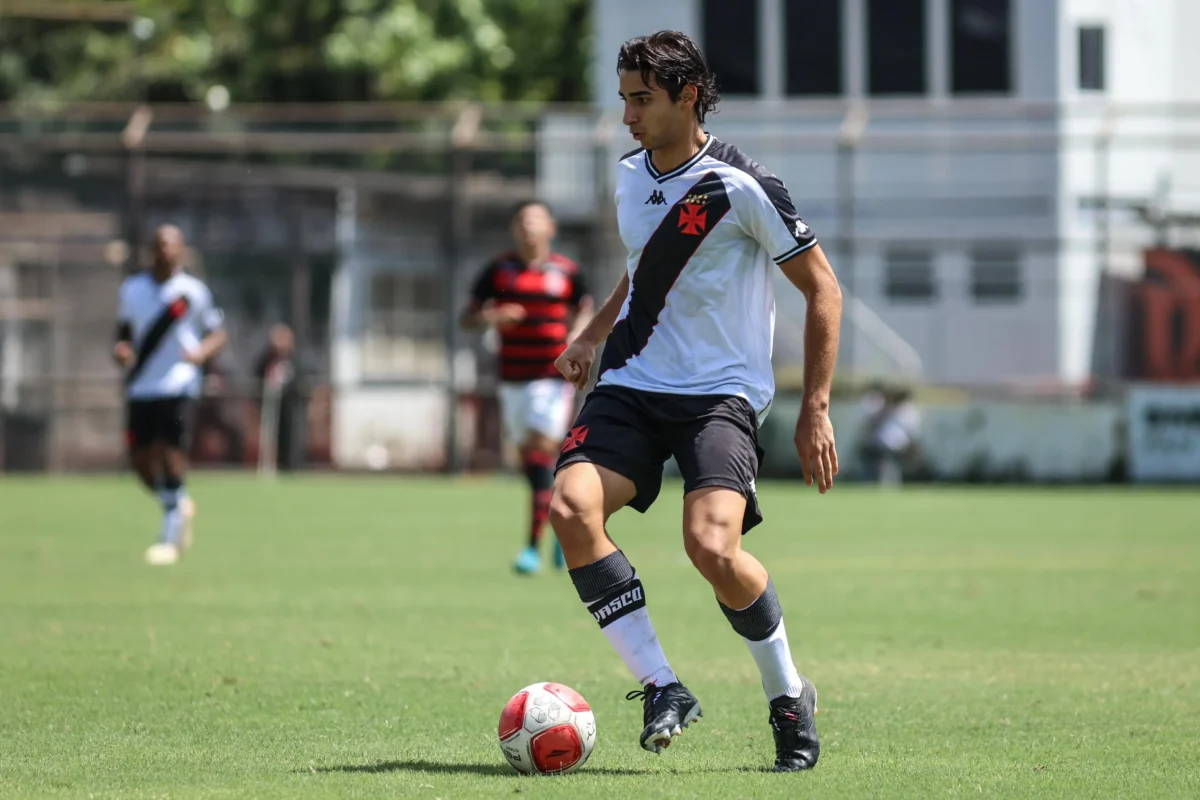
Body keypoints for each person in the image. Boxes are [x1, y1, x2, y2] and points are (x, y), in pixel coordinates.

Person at [548, 31, 842, 772]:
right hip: (632, 381)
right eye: (623, 100)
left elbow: (823, 291)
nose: (627, 117)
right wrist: (591, 333)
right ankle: (662, 687)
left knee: (713, 547)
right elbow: (642, 270)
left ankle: (787, 695)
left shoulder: (744, 186)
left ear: (687, 96)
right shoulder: (627, 176)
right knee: (570, 509)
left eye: (641, 100)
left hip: (720, 396)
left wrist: (816, 408)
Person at [461, 201, 594, 574]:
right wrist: (492, 316)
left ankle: (531, 548)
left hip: (551, 378)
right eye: (522, 221)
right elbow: (466, 318)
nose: (529, 228)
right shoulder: (498, 271)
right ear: (514, 230)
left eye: (536, 221)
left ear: (550, 229)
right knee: (532, 462)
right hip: (511, 379)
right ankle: (558, 532)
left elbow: (585, 305)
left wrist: (576, 335)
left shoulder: (566, 271)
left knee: (538, 453)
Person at [114, 225, 226, 566]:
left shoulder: (192, 292)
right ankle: (177, 502)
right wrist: (121, 351)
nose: (167, 251)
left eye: (173, 245)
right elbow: (123, 335)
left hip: (179, 383)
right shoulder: (132, 289)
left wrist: (201, 354)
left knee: (170, 451)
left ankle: (169, 539)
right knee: (140, 461)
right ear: (152, 249)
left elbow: (217, 333)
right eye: (161, 244)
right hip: (142, 385)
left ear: (181, 250)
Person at [254, 323, 305, 472]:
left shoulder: (295, 360)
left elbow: (300, 380)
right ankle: (268, 466)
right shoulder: (266, 359)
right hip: (269, 405)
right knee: (269, 436)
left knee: (290, 438)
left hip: (290, 407)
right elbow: (258, 374)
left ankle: (291, 466)